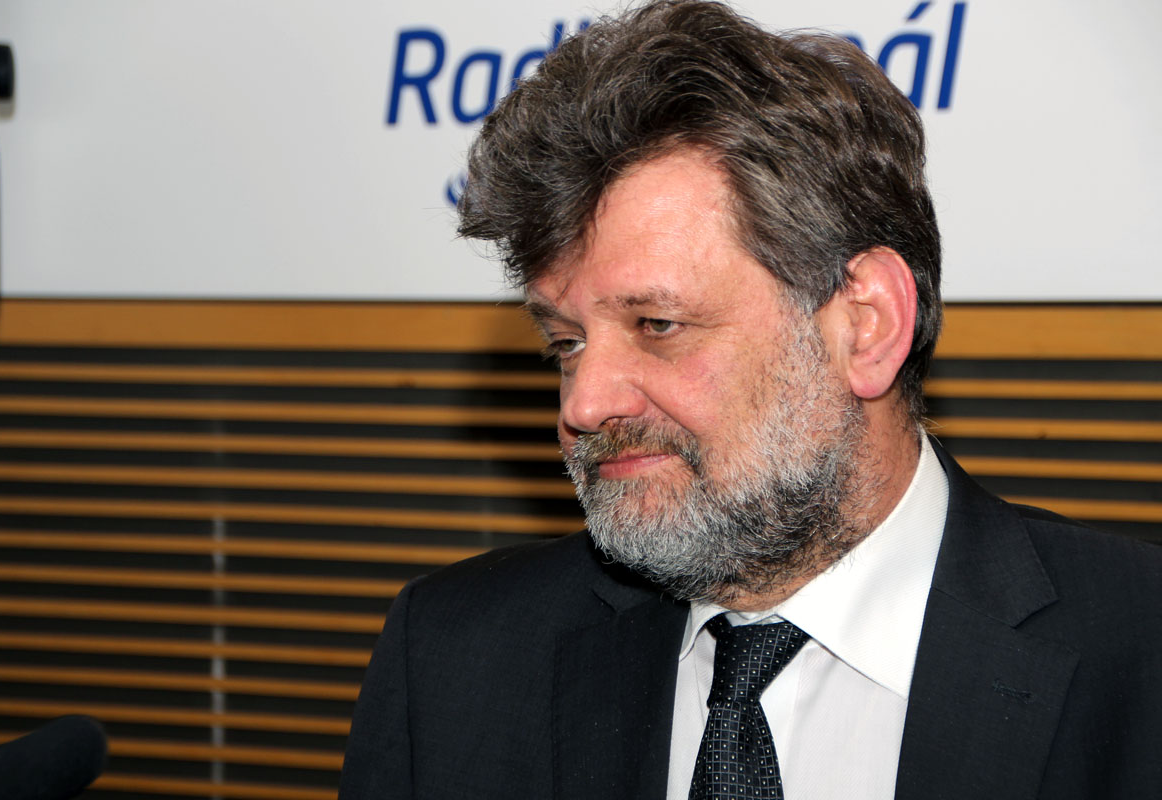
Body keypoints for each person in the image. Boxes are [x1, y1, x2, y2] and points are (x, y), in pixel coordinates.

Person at [339, 2, 1162, 798]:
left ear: (866, 326)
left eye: (658, 325)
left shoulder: (1140, 653)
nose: (584, 405)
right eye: (566, 343)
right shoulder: (454, 659)